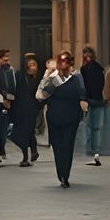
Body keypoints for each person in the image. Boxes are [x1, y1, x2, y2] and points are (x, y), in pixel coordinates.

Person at [37, 51, 89, 188]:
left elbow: (41, 96)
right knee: (67, 146)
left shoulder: (54, 79)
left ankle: (62, 173)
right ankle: (64, 174)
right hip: (70, 118)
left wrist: (46, 77)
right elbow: (83, 95)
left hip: (55, 117)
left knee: (58, 146)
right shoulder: (77, 78)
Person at [8, 53, 42, 165]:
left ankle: (28, 154)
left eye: (34, 64)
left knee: (29, 130)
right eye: (30, 64)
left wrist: (35, 76)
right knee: (22, 132)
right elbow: (14, 90)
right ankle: (30, 152)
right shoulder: (19, 75)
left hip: (31, 109)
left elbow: (38, 93)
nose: (32, 66)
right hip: (19, 108)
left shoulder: (37, 78)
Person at [80, 46, 108, 165]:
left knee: (89, 126)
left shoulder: (84, 69)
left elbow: (83, 86)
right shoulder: (99, 68)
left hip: (90, 101)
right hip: (99, 100)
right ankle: (96, 149)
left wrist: (83, 98)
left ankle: (90, 149)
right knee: (97, 127)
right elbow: (103, 84)